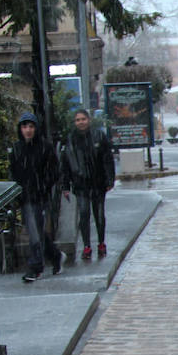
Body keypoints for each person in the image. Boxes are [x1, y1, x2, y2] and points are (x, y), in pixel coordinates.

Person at [8, 111, 61, 283]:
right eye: (25, 127)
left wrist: (43, 186)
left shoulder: (45, 147)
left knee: (35, 232)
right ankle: (54, 255)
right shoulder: (17, 149)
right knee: (35, 230)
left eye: (31, 126)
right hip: (25, 196)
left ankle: (36, 266)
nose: (28, 130)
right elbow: (13, 172)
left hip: (39, 196)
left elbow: (53, 171)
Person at [60, 108, 116, 260]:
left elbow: (107, 159)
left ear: (88, 120)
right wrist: (65, 185)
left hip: (98, 183)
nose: (81, 122)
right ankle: (86, 245)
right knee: (84, 215)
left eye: (83, 119)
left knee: (99, 214)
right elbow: (65, 164)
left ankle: (101, 242)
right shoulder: (71, 139)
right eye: (78, 120)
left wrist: (110, 179)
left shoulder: (99, 136)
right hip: (81, 185)